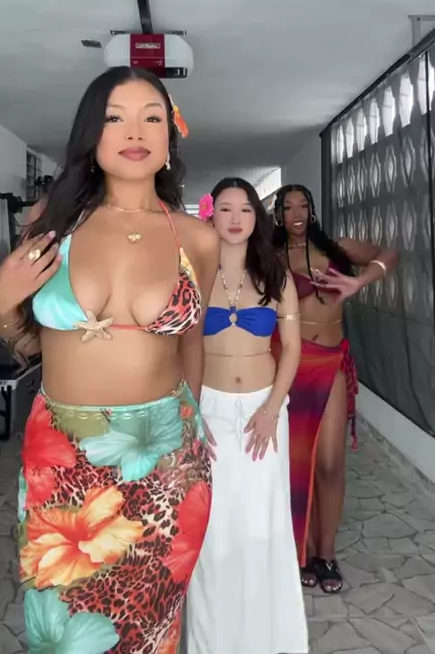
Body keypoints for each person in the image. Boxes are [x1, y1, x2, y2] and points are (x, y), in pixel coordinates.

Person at [0, 66, 220, 654]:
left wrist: (195, 421)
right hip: (62, 458)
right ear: (91, 132)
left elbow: (192, 342)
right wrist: (0, 306)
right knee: (67, 636)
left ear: (170, 136)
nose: (134, 131)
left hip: (166, 461)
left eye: (151, 117)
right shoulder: (51, 224)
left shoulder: (197, 239)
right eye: (115, 117)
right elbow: (30, 345)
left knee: (151, 631)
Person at [186, 178, 308, 654]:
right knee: (214, 528)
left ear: (257, 218)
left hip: (264, 410)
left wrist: (272, 409)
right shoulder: (195, 274)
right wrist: (192, 412)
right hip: (209, 410)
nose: (235, 218)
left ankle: (270, 640)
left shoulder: (276, 274)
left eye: (245, 209)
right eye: (225, 208)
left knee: (263, 524)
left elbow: (292, 348)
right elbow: (181, 348)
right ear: (210, 216)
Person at [271, 184, 397, 594]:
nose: (296, 212)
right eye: (287, 206)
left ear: (312, 210)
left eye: (303, 205)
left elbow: (388, 254)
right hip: (287, 365)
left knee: (329, 462)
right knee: (297, 465)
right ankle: (305, 552)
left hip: (329, 363)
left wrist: (361, 282)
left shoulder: (337, 248)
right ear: (277, 214)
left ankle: (327, 553)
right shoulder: (270, 256)